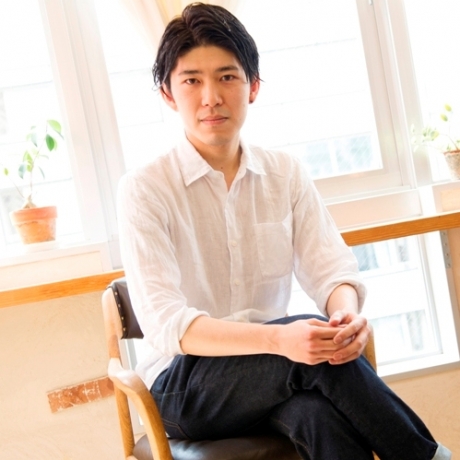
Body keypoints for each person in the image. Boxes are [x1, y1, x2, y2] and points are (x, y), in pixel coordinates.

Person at [117, 3, 451, 459]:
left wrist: (345, 318)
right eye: (192, 80)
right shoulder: (144, 189)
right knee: (311, 348)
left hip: (279, 373)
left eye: (227, 77)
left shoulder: (284, 173)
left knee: (320, 414)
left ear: (253, 87)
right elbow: (166, 323)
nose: (211, 96)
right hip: (184, 385)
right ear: (168, 95)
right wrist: (280, 339)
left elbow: (331, 270)